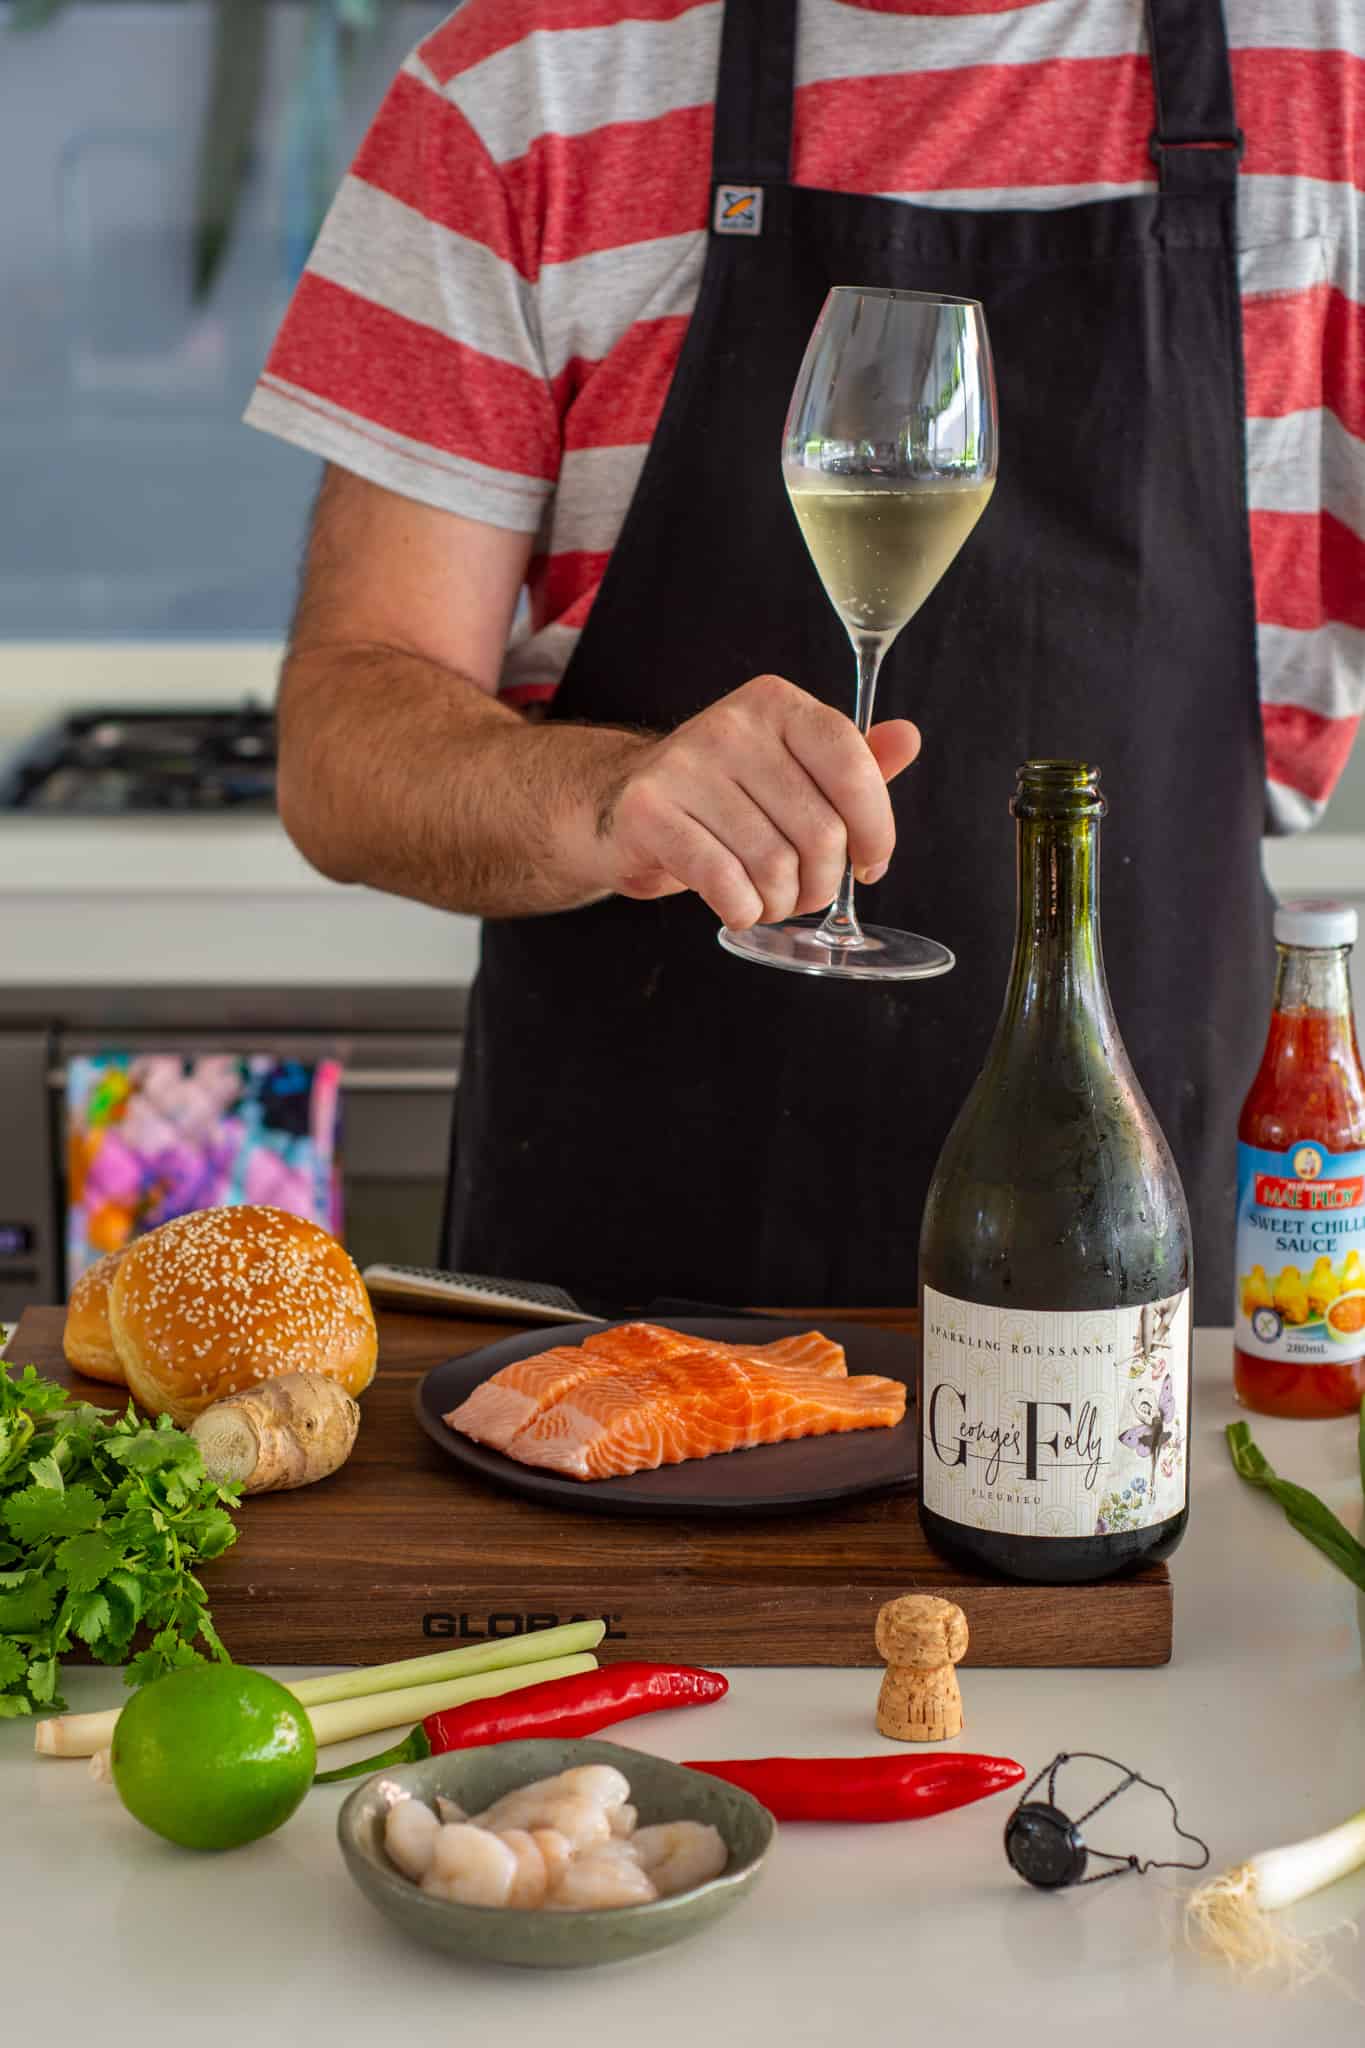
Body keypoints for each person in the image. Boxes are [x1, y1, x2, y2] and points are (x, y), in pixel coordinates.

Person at [246, 0, 1363, 1312]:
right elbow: (343, 751)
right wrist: (607, 797)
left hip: (1141, 1308)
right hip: (620, 1316)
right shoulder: (522, 85)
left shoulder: (1336, 84)